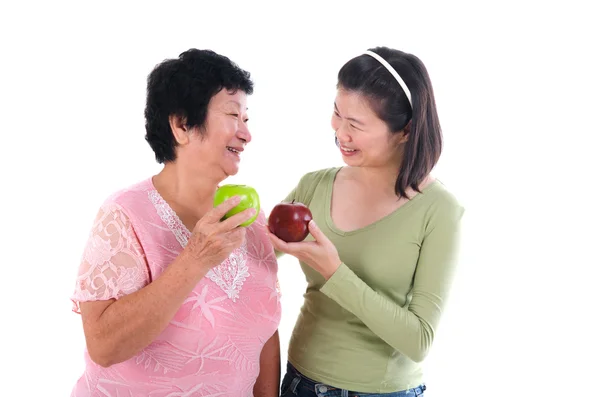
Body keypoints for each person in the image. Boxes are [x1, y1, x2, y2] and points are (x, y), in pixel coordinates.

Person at [70, 49, 281, 397]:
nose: (246, 134)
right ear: (182, 124)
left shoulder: (251, 217)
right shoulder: (124, 215)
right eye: (232, 115)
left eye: (247, 118)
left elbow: (264, 330)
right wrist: (195, 259)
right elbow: (104, 347)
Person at [268, 47, 464, 396]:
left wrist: (335, 273)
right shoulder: (314, 185)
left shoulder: (439, 211)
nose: (340, 133)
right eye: (337, 113)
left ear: (405, 130)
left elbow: (419, 339)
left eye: (355, 124)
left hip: (383, 391)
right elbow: (255, 255)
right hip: (301, 383)